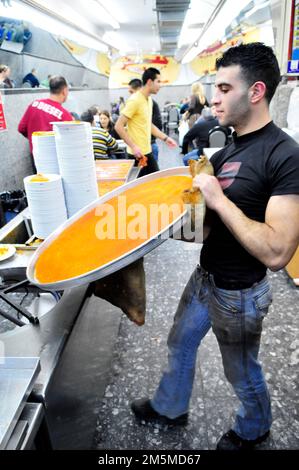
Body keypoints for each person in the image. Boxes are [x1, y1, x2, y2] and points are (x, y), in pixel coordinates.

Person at [130, 43, 299, 451]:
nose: (214, 97)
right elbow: (204, 232)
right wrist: (158, 224)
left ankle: (254, 428)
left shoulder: (285, 156)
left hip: (240, 293)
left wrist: (219, 199)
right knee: (179, 342)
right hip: (205, 279)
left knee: (241, 371)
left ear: (256, 92)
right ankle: (170, 407)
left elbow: (277, 252)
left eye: (224, 88)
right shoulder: (226, 151)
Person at [115, 68, 175, 177]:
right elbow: (118, 126)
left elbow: (148, 125)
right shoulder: (135, 100)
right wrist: (133, 146)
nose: (160, 85)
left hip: (147, 151)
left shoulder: (149, 100)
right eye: (158, 81)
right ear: (149, 82)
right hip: (137, 155)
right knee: (141, 189)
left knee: (155, 182)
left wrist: (165, 138)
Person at [18, 75, 73, 152]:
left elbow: (21, 128)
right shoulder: (65, 116)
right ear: (64, 91)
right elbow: (70, 143)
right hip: (55, 160)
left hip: (35, 156)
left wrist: (34, 139)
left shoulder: (34, 104)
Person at [128, 77, 163, 162]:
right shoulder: (137, 102)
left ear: (139, 89)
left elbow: (156, 124)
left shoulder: (150, 102)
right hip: (141, 147)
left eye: (131, 92)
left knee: (150, 174)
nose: (131, 95)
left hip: (147, 145)